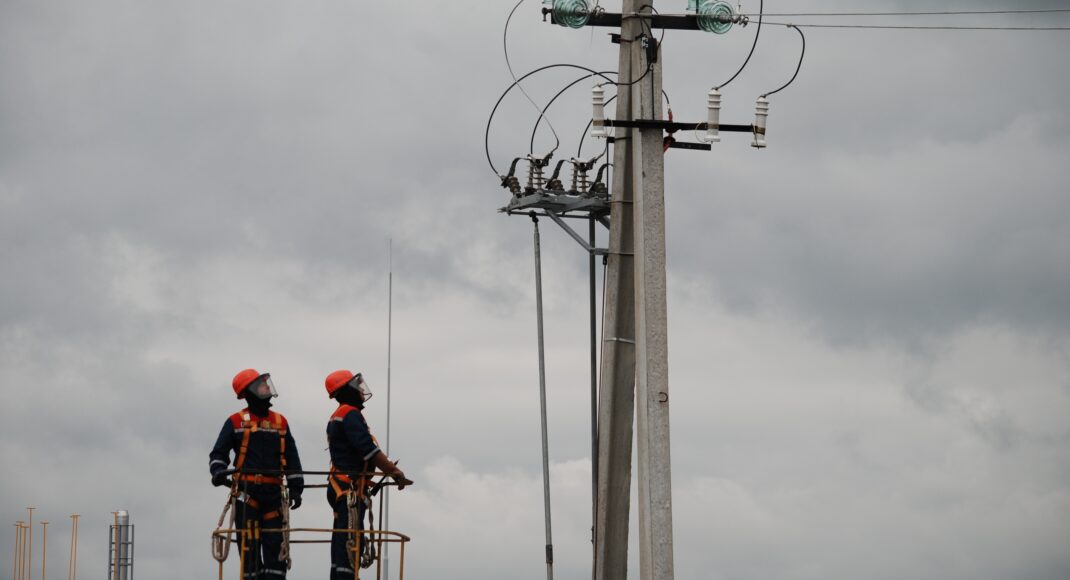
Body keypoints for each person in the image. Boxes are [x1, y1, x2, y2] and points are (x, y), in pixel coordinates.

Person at [210, 368, 304, 579]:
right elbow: (218, 453)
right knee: (249, 555)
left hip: (273, 496)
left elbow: (292, 458)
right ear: (250, 390)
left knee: (275, 556)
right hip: (246, 495)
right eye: (262, 384)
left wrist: (297, 489)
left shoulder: (280, 422)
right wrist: (218, 471)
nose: (267, 387)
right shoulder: (235, 422)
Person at [324, 369, 409, 579]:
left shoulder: (344, 415)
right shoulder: (349, 414)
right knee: (348, 541)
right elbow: (368, 450)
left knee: (346, 540)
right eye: (356, 385)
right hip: (347, 488)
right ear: (346, 390)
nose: (361, 389)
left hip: (348, 487)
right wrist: (393, 471)